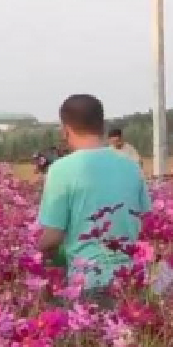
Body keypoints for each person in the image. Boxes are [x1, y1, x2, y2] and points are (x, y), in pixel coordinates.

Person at [37, 94, 151, 297]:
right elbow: (146, 223)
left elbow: (53, 237)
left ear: (66, 130)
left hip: (89, 281)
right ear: (103, 126)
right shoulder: (131, 166)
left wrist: (31, 252)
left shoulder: (60, 170)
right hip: (132, 280)